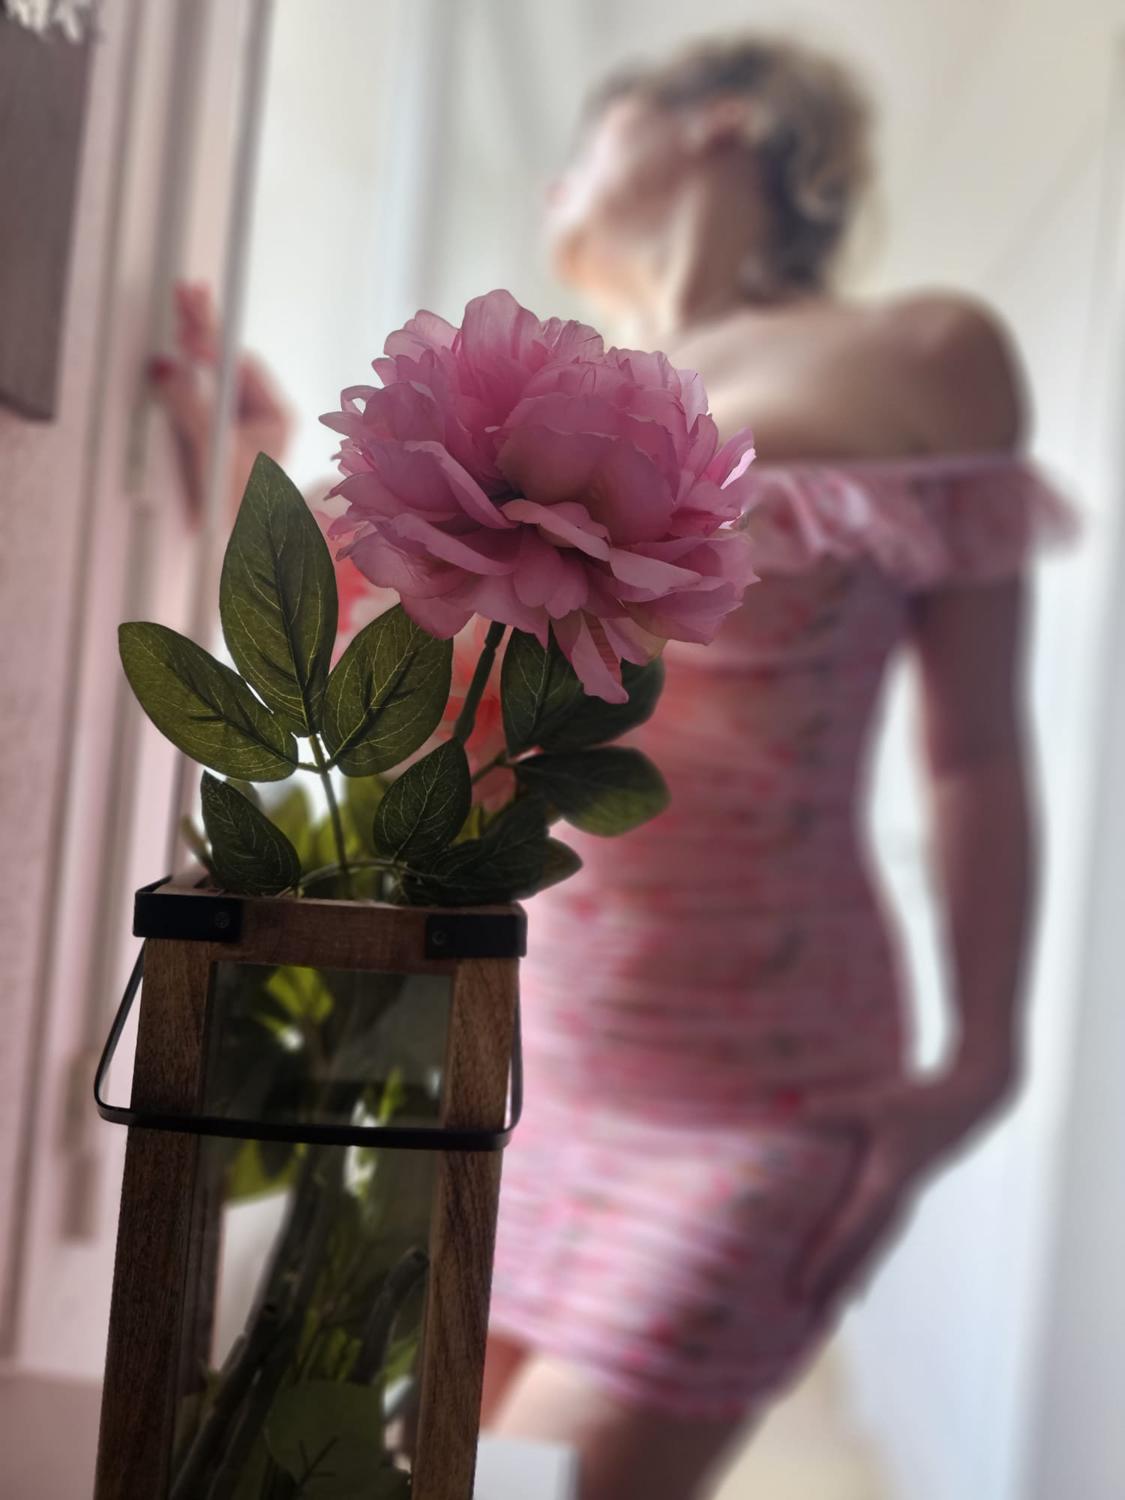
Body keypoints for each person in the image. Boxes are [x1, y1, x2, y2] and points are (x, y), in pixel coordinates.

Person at [150, 35, 1072, 1500]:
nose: (557, 183)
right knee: (424, 1475)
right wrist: (259, 484)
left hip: (769, 1101)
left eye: (589, 137)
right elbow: (414, 717)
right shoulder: (535, 413)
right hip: (528, 1064)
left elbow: (970, 749)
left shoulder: (924, 354)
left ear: (719, 120)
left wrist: (984, 1059)